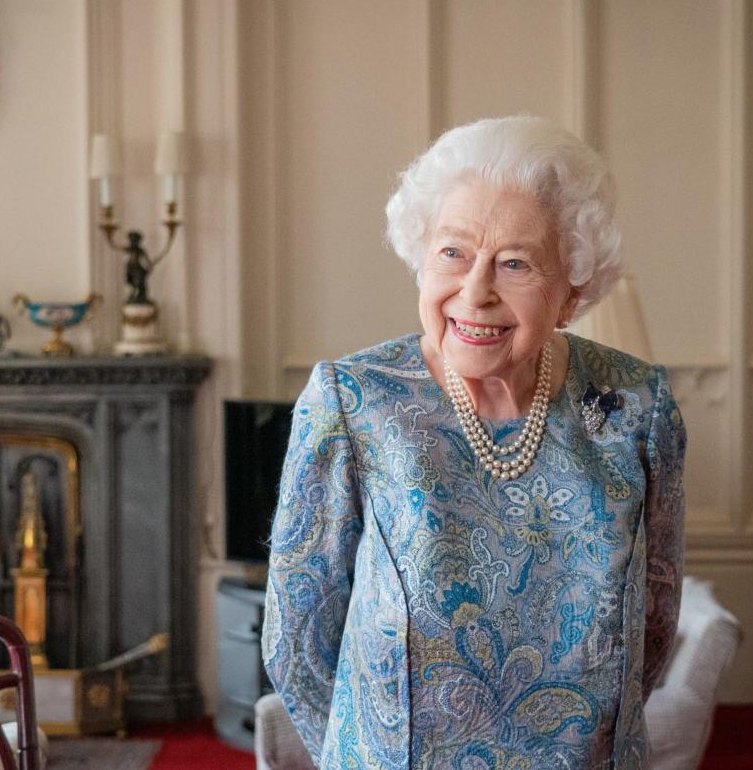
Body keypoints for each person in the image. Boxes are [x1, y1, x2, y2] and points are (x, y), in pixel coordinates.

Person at [262, 115, 686, 769]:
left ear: (571, 291)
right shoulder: (353, 402)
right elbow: (297, 635)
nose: (475, 291)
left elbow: (653, 621)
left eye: (514, 263)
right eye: (453, 253)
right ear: (420, 256)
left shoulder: (635, 405)